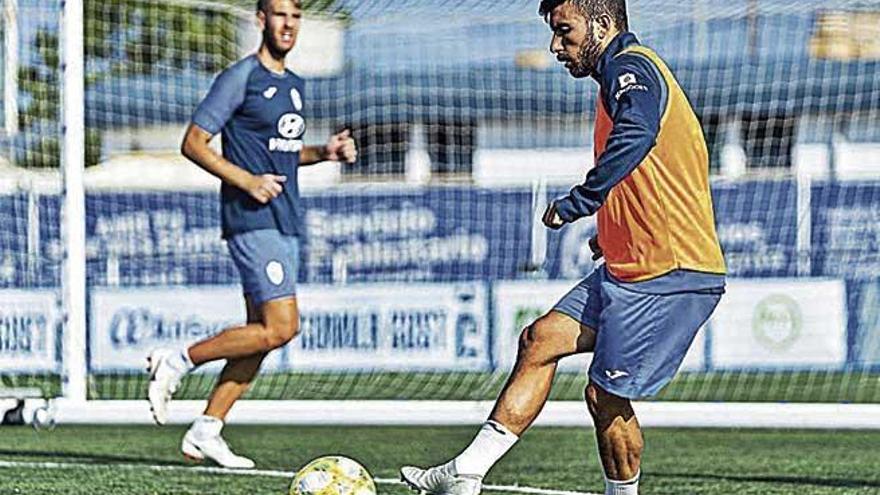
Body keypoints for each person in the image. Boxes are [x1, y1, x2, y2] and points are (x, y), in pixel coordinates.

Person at [400, 0, 725, 494]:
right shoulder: (617, 77)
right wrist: (613, 228)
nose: (556, 45)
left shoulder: (631, 66)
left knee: (604, 396)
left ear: (601, 24)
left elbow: (637, 135)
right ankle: (465, 473)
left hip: (669, 274)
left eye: (564, 30)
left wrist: (583, 200)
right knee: (539, 340)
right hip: (629, 265)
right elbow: (651, 167)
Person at [146, 0, 357, 469]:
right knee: (283, 326)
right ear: (261, 20)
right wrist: (247, 181)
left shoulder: (295, 86)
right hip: (251, 218)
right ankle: (176, 360)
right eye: (280, 15)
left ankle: (207, 430)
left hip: (286, 220)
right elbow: (193, 143)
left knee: (261, 335)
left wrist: (325, 151)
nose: (289, 24)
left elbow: (281, 152)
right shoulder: (240, 77)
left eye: (297, 16)